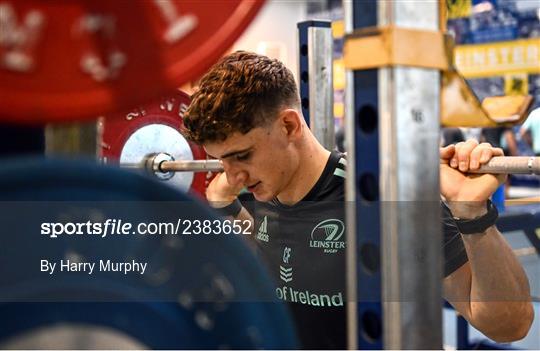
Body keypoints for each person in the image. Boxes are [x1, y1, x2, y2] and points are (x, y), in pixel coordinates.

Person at [183, 51, 533, 348]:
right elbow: (275, 254)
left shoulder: (380, 197)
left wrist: (472, 217)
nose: (232, 176)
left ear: (289, 125)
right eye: (222, 159)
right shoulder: (262, 191)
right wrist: (228, 208)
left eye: (242, 156)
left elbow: (510, 325)